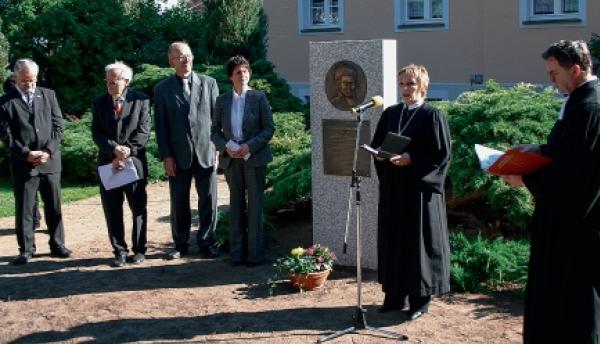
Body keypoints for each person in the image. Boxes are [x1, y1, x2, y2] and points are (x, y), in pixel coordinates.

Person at [501, 40, 600, 344]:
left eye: (554, 73)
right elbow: (565, 152)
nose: (550, 79)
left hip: (577, 222)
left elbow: (574, 172)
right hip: (565, 219)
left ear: (577, 69)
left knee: (578, 299)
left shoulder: (589, 106)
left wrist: (525, 180)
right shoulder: (577, 99)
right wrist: (534, 150)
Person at [370, 64, 451, 321]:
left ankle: (419, 299)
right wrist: (380, 157)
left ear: (423, 86)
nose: (405, 89)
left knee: (416, 245)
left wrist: (411, 159)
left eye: (411, 84)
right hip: (395, 190)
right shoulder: (391, 114)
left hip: (419, 193)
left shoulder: (432, 115)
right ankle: (394, 296)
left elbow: (441, 156)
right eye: (402, 84)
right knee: (394, 241)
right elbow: (378, 145)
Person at [0, 58, 72, 264]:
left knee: (54, 205)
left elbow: (59, 127)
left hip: (50, 162)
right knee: (24, 208)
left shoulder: (49, 95)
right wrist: (26, 154)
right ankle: (26, 249)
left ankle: (58, 244)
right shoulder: (5, 103)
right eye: (24, 81)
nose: (29, 85)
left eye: (32, 80)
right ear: (15, 78)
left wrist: (48, 150)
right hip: (24, 163)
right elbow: (7, 136)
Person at [154, 41, 220, 259]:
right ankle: (180, 244)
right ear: (171, 61)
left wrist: (218, 148)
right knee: (179, 201)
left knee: (208, 201)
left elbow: (217, 120)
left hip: (206, 153)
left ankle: (207, 242)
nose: (186, 60)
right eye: (180, 56)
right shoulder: (162, 89)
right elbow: (161, 127)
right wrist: (167, 156)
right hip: (178, 156)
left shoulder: (209, 83)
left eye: (188, 55)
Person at [211, 56, 275, 266]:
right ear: (231, 76)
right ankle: (237, 254)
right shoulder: (222, 100)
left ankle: (255, 255)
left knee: (255, 206)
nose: (243, 75)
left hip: (254, 159)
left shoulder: (259, 98)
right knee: (236, 206)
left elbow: (269, 129)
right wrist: (227, 146)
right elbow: (214, 132)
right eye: (239, 72)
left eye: (246, 71)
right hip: (232, 160)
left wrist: (250, 146)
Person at [91, 61, 150, 267]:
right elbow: (96, 132)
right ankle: (119, 251)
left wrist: (127, 150)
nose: (110, 84)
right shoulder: (99, 103)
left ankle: (140, 250)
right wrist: (114, 149)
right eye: (107, 81)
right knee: (112, 210)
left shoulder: (141, 100)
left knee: (138, 208)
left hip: (133, 163)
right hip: (109, 165)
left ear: (126, 80)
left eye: (114, 80)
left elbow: (143, 131)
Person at [3, 73, 42, 229]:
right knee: (31, 189)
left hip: (25, 151)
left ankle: (33, 219)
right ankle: (34, 218)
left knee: (25, 190)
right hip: (26, 150)